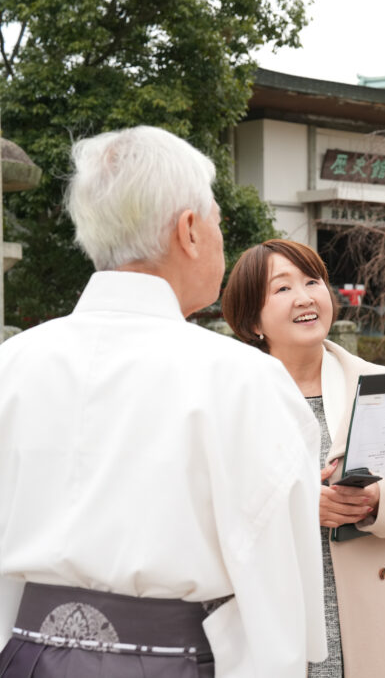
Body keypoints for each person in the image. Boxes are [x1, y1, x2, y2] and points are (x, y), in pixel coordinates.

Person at [0, 127, 327, 677]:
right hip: (170, 661)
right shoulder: (242, 378)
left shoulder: (12, 364)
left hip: (25, 655)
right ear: (190, 231)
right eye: (219, 222)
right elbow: (275, 582)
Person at [222, 238, 385, 678]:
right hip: (270, 608)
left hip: (369, 609)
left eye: (313, 281)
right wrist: (301, 502)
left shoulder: (378, 383)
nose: (305, 297)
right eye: (282, 288)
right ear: (252, 319)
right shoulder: (231, 398)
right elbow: (206, 499)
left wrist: (376, 500)